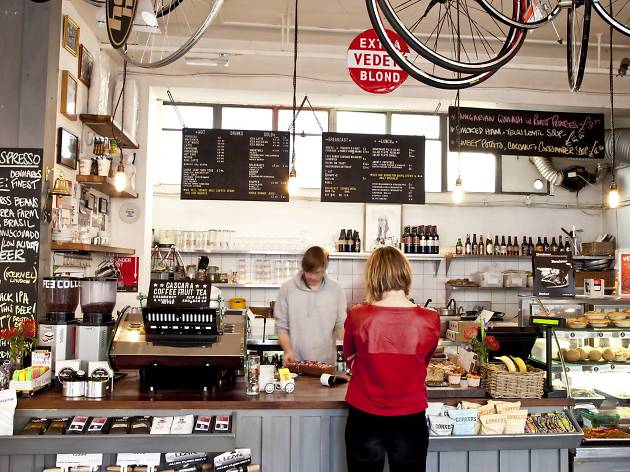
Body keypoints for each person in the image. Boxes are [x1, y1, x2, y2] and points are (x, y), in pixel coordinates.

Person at [343, 246, 440, 472]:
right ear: (406, 274)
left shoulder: (357, 316)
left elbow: (350, 358)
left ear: (373, 276)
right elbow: (423, 362)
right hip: (410, 417)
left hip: (364, 415)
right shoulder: (430, 319)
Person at [275, 246, 347, 367]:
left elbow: (341, 325)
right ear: (303, 268)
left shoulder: (336, 290)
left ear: (324, 268)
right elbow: (281, 327)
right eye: (309, 272)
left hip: (326, 365)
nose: (312, 277)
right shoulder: (287, 289)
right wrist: (288, 351)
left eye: (317, 272)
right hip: (295, 363)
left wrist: (351, 348)